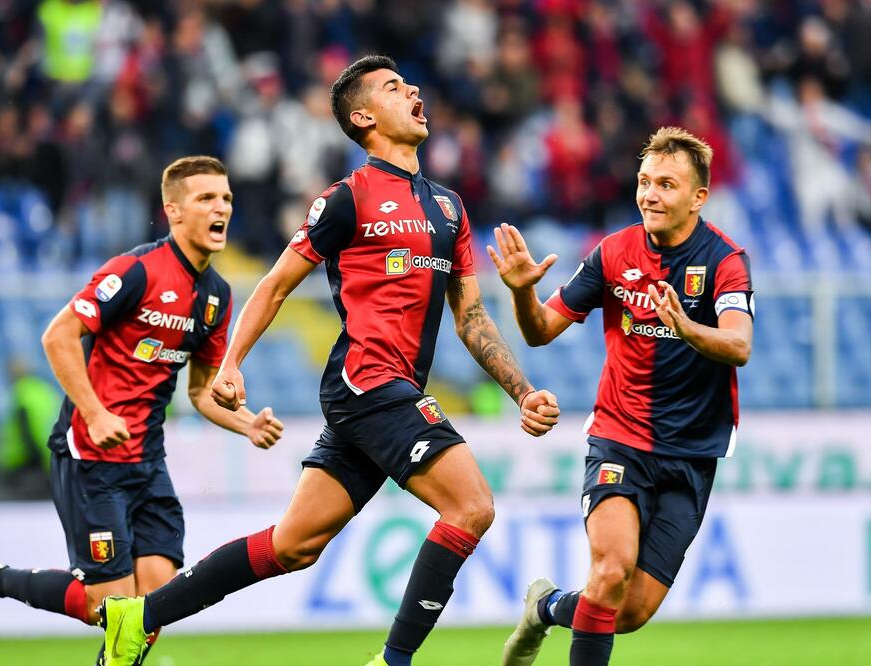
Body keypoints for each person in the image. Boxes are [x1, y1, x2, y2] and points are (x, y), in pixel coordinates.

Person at [98, 54, 560, 666]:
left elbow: (471, 318)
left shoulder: (449, 208)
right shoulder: (348, 198)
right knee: (471, 506)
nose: (414, 90)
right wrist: (231, 362)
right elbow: (275, 285)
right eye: (395, 88)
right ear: (364, 116)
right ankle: (392, 662)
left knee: (294, 546)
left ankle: (140, 616)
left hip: (380, 395)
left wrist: (522, 390)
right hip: (368, 383)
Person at [0, 156, 285, 666]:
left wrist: (246, 422)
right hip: (91, 456)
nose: (221, 208)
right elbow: (57, 337)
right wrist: (95, 412)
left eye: (226, 198)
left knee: (158, 604)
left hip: (147, 460)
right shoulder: (137, 271)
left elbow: (202, 391)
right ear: (174, 211)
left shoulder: (216, 296)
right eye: (207, 198)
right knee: (109, 606)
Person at [495, 127, 753, 666]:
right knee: (610, 572)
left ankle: (544, 608)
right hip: (619, 438)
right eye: (643, 182)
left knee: (627, 612)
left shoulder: (726, 261)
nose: (649, 194)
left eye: (666, 184)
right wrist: (522, 291)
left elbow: (738, 345)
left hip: (691, 454)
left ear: (698, 197)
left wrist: (687, 329)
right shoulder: (613, 253)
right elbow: (541, 329)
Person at [0, 359, 61, 500]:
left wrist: (36, 456)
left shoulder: (21, 393)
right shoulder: (46, 391)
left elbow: (26, 430)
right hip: (50, 457)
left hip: (26, 461)